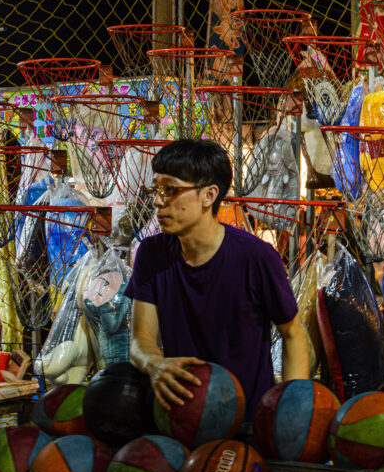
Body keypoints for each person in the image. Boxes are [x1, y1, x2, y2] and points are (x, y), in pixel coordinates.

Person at [127, 139, 309, 420]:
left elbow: (293, 333)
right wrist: (154, 364)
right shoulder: (151, 254)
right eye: (156, 188)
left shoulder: (256, 257)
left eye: (170, 190)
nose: (158, 200)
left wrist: (293, 409)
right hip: (181, 416)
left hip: (247, 422)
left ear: (209, 195)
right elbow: (141, 338)